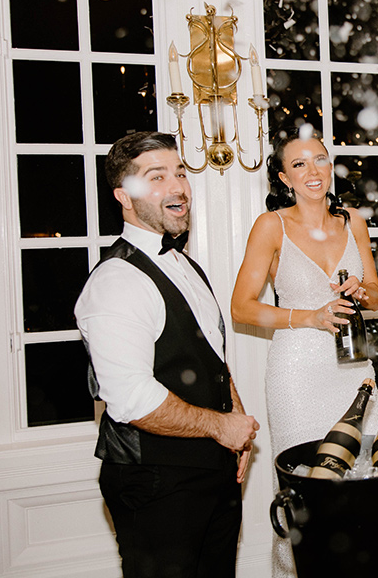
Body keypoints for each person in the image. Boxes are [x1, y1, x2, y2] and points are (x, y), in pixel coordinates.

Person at [75, 131, 259, 578]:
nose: (177, 187)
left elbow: (212, 358)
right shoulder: (115, 282)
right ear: (124, 195)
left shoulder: (186, 267)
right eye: (155, 177)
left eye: (179, 173)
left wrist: (236, 426)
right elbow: (131, 398)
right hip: (155, 481)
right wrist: (222, 427)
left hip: (214, 473)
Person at [231, 131, 378, 576]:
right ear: (284, 178)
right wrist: (309, 317)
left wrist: (361, 290)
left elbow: (375, 295)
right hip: (297, 373)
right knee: (309, 493)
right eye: (299, 165)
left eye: (319, 159)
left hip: (354, 370)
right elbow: (242, 306)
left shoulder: (353, 220)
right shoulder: (271, 226)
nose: (313, 171)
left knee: (370, 486)